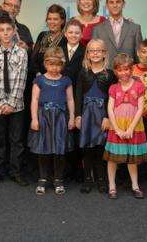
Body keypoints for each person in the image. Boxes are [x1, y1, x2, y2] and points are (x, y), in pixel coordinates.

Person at [0, 16, 29, 187]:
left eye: (8, 30)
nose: (5, 33)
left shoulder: (22, 53)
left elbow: (21, 79)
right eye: (1, 30)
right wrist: (2, 103)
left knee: (17, 140)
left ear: (14, 31)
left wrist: (11, 103)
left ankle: (16, 171)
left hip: (17, 105)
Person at [28, 47, 75, 195]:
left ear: (62, 65)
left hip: (60, 118)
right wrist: (34, 119)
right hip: (43, 117)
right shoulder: (39, 80)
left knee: (59, 149)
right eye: (51, 64)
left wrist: (72, 117)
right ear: (45, 64)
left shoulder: (66, 80)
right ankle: (42, 179)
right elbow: (34, 100)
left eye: (57, 65)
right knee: (43, 148)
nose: (54, 68)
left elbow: (70, 99)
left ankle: (58, 179)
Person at [104, 53, 147, 199]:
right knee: (113, 158)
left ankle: (135, 186)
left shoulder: (139, 86)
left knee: (132, 157)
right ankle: (112, 186)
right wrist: (116, 128)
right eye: (120, 70)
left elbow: (140, 109)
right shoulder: (113, 88)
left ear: (131, 69)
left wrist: (130, 129)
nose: (123, 73)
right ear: (116, 71)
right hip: (117, 126)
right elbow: (110, 109)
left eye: (126, 69)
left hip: (133, 126)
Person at [75, 39, 116, 193]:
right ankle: (87, 178)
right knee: (86, 147)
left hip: (102, 115)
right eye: (92, 51)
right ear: (88, 54)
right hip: (86, 113)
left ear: (104, 53)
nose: (95, 53)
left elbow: (112, 98)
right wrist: (77, 115)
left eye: (99, 50)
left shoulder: (110, 74)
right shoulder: (83, 72)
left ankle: (101, 178)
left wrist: (107, 117)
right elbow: (78, 94)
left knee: (100, 146)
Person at [61, 19, 86, 183]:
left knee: (77, 133)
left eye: (77, 32)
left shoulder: (85, 52)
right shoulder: (58, 50)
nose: (73, 35)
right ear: (65, 34)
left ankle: (78, 170)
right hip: (60, 97)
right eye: (70, 32)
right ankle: (64, 169)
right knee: (62, 132)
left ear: (82, 35)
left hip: (78, 96)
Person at [92, 0, 142, 67]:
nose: (115, 5)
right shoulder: (97, 29)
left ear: (123, 4)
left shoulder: (135, 28)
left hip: (129, 75)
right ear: (107, 5)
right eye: (111, 2)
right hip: (105, 76)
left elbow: (139, 56)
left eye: (118, 2)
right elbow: (94, 56)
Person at [30, 4, 67, 77]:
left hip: (57, 80)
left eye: (55, 19)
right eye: (49, 19)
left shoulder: (66, 39)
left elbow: (64, 64)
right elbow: (33, 59)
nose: (52, 22)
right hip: (39, 78)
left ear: (62, 21)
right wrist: (38, 74)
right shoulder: (42, 35)